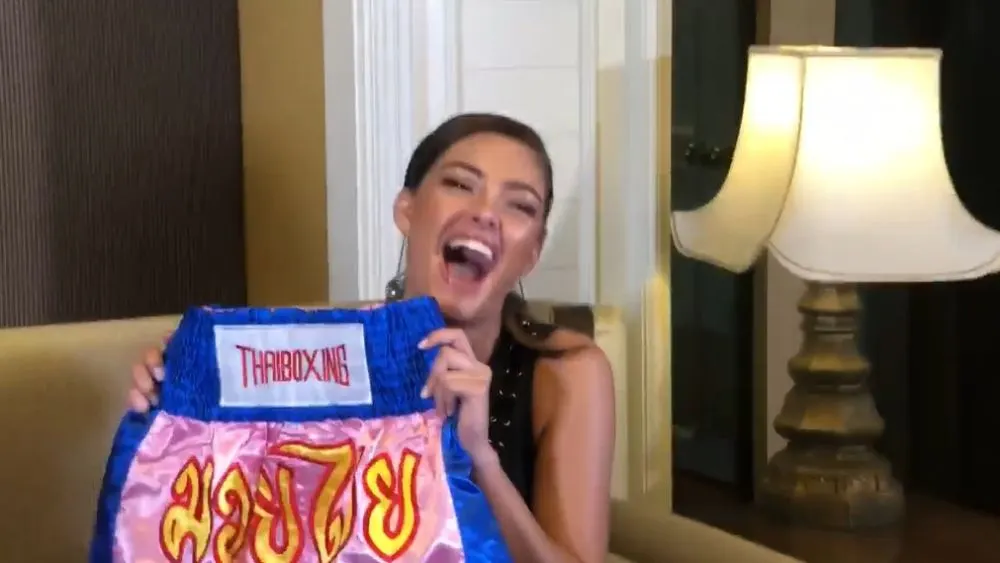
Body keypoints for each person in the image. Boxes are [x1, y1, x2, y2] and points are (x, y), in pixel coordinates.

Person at [127, 112, 615, 563]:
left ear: (532, 253)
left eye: (519, 205)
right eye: (461, 184)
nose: (486, 213)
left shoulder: (568, 371)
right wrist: (180, 401)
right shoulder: (332, 352)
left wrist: (480, 456)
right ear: (407, 210)